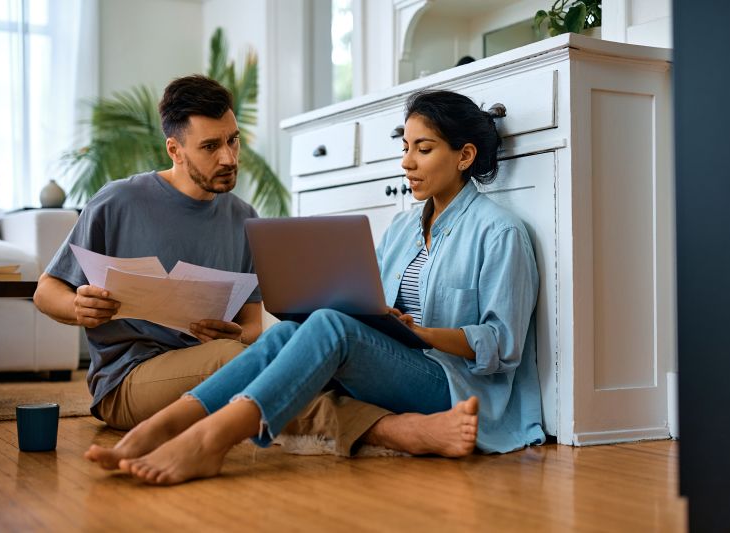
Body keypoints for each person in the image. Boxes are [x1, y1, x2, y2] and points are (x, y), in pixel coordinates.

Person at [86, 89, 546, 485]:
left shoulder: (500, 232)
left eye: (422, 150)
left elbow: (503, 346)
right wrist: (375, 316)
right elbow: (373, 305)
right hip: (402, 365)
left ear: (464, 156)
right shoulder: (403, 229)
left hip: (457, 385)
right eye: (405, 147)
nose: (406, 162)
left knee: (332, 326)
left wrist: (422, 334)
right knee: (289, 332)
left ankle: (210, 439)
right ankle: (164, 426)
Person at [35, 75, 477, 459]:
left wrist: (235, 332)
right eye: (210, 146)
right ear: (175, 149)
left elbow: (250, 327)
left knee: (278, 352)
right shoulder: (118, 202)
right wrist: (78, 306)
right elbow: (45, 291)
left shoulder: (244, 218)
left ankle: (384, 429)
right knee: (240, 362)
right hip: (127, 380)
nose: (229, 158)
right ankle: (393, 431)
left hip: (210, 359)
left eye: (233, 140)